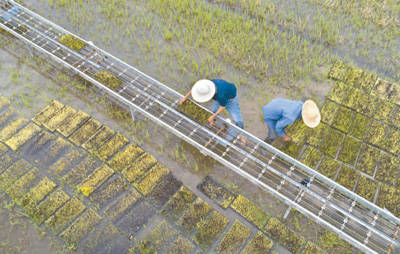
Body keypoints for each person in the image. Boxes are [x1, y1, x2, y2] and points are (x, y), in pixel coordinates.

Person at [179, 79, 245, 144]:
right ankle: (214, 124)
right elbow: (194, 89)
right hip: (220, 95)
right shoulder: (207, 85)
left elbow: (223, 106)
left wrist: (212, 116)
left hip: (231, 98)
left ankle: (243, 136)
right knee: (213, 112)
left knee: (237, 120)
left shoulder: (220, 95)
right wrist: (185, 97)